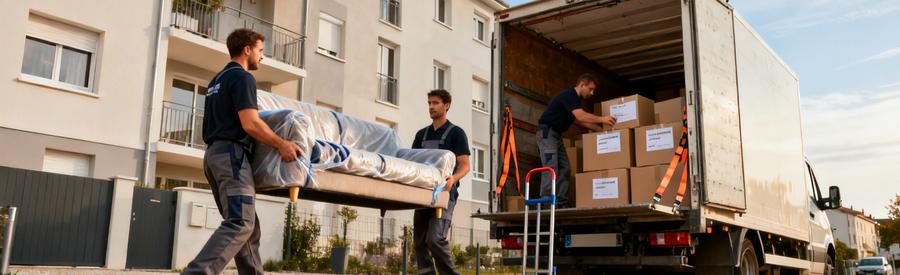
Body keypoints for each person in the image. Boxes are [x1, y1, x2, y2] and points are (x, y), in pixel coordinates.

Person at [182, 28, 302, 275]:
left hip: (214, 157)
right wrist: (283, 144)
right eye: (260, 50)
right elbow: (251, 123)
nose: (262, 56)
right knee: (241, 223)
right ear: (247, 49)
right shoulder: (243, 77)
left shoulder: (216, 81)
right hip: (231, 157)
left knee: (248, 228)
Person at [411, 89, 471, 275]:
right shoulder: (421, 135)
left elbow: (465, 165)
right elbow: (412, 163)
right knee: (419, 241)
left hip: (445, 194)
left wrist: (453, 178)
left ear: (447, 105)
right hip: (423, 193)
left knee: (435, 238)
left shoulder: (456, 133)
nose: (431, 107)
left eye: (435, 103)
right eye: (429, 103)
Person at [536, 73, 616, 208]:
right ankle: (545, 201)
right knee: (551, 167)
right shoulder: (569, 95)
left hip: (556, 135)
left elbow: (580, 121)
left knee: (565, 168)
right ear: (582, 85)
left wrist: (600, 129)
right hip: (546, 133)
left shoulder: (575, 101)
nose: (592, 93)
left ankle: (560, 201)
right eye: (590, 89)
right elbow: (581, 116)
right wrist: (602, 119)